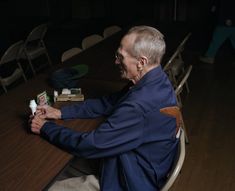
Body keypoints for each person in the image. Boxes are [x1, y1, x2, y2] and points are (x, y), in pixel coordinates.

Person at [30, 26, 179, 191]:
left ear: (141, 62)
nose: (116, 61)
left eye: (120, 56)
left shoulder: (138, 105)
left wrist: (45, 127)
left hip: (129, 180)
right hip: (141, 162)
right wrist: (61, 112)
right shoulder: (156, 79)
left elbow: (89, 144)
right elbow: (108, 103)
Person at [200, 0, 235, 64]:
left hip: (226, 23)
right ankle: (210, 56)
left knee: (216, 39)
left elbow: (229, 5)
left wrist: (229, 18)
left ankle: (210, 57)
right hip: (229, 22)